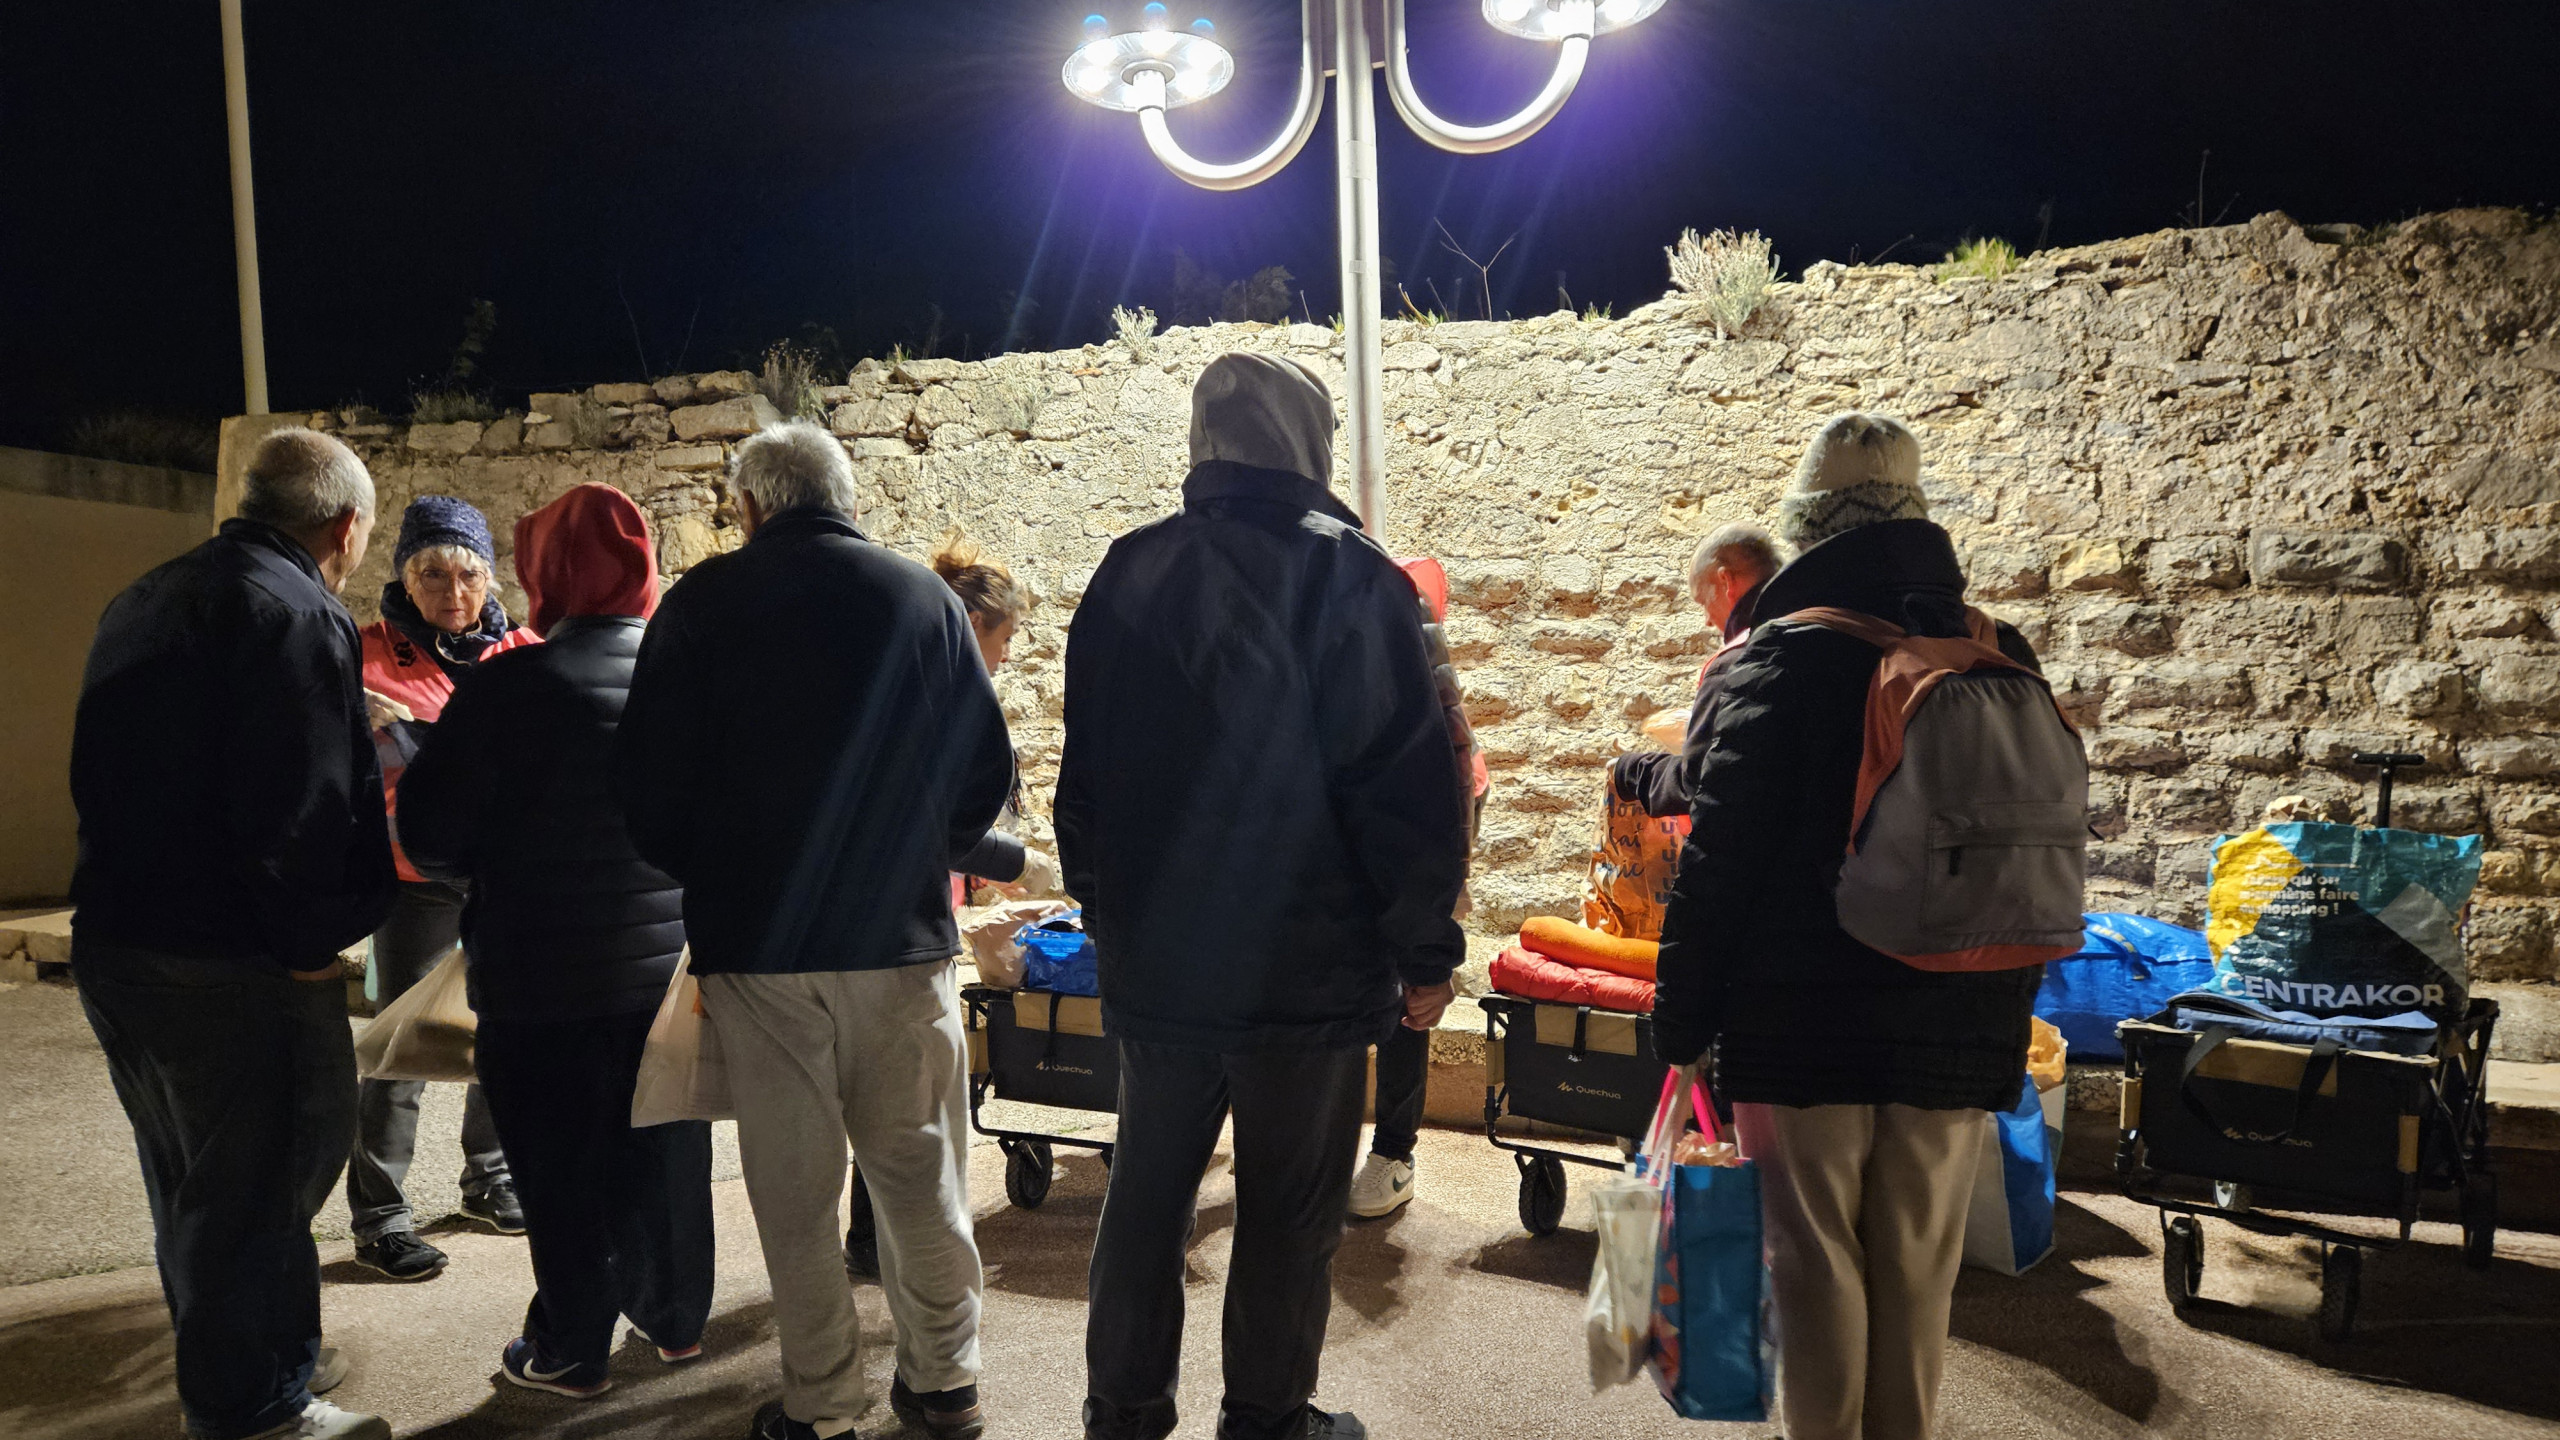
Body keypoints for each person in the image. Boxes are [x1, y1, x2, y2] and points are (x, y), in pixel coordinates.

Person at [1059, 353, 1471, 1440]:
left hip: (1163, 963)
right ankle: (1268, 1422)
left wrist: (1110, 918)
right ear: (1311, 443)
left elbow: (1083, 781)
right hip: (1310, 966)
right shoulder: (1356, 577)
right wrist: (1424, 950)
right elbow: (1404, 788)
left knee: (1145, 1204)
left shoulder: (1127, 569)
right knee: (1290, 1213)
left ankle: (1125, 1415)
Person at [618, 422, 1015, 1440]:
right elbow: (985, 779)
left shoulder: (700, 605)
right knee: (922, 1180)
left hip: (762, 949)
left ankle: (824, 1405)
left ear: (749, 507)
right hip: (902, 942)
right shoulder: (922, 599)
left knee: (794, 1198)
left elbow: (648, 795)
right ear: (845, 494)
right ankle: (943, 1386)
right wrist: (920, 855)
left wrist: (717, 873)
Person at [1652, 414, 2043, 1440]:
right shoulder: (1999, 651)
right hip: (1956, 1017)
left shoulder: (1774, 658)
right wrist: (2004, 1015)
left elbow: (1718, 859)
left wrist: (1682, 1023)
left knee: (1813, 1262)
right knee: (1915, 1275)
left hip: (1799, 1026)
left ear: (1806, 526)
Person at [68, 427, 398, 1440]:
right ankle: (254, 1406)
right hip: (232, 955)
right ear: (343, 526)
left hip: (123, 941)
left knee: (194, 1182)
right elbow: (293, 807)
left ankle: (245, 1366)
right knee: (261, 1183)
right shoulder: (296, 609)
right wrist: (309, 943)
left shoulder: (150, 595)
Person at [397, 483, 712, 1398]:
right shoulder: (685, 678)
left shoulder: (507, 686)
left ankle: (572, 1348)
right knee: (664, 1155)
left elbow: (430, 837)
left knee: (560, 1167)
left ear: (544, 574)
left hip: (542, 983)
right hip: (664, 977)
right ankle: (680, 1322)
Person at [845, 530, 1057, 1283]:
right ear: (973, 626)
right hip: (894, 924)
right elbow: (935, 821)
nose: (1004, 657)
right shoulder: (935, 694)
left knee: (890, 1091)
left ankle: (875, 1237)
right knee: (901, 1096)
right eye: (1004, 640)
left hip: (892, 908)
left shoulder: (906, 679)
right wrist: (1019, 865)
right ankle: (892, 1247)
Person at [347, 495, 538, 1280]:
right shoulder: (361, 653)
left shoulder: (523, 650)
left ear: (490, 579)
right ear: (403, 575)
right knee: (401, 1046)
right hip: (414, 879)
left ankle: (489, 1180)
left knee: (499, 1032)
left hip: (506, 875)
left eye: (466, 573)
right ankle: (381, 1215)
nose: (451, 592)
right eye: (431, 573)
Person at [1346, 558, 1486, 1221]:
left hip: (1408, 863)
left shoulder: (1418, 679)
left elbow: (1448, 804)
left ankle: (1395, 1151)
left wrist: (1432, 943)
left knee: (1410, 1000)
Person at [1609, 522, 1782, 818]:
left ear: (1726, 581)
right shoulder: (1815, 631)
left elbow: (1696, 784)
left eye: (1704, 601)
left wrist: (1631, 770)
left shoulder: (1734, 663)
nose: (1706, 620)